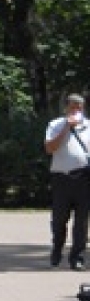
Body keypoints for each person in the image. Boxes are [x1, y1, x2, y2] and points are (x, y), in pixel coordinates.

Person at [44, 93, 90, 271]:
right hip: (61, 178)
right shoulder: (55, 125)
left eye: (79, 107)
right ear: (66, 108)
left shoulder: (88, 126)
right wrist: (66, 128)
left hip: (83, 178)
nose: (76, 110)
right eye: (72, 106)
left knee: (81, 221)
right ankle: (57, 251)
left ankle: (77, 257)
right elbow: (50, 148)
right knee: (59, 220)